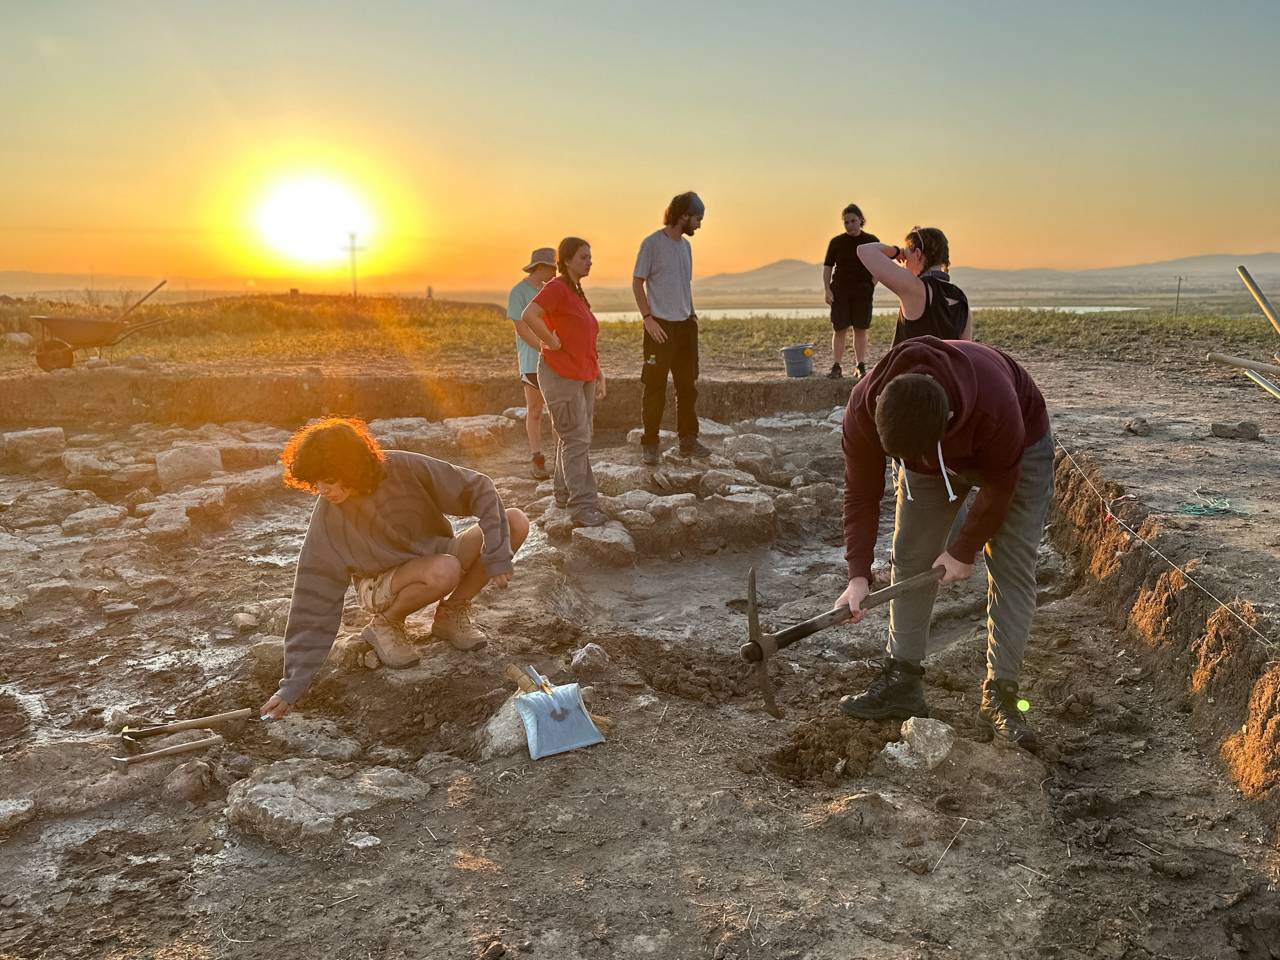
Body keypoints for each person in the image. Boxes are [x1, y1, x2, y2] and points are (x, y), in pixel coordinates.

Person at [835, 336, 1053, 750]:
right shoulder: (866, 404)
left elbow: (1000, 488)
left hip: (1018, 447)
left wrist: (963, 549)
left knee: (1011, 565)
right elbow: (860, 492)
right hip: (931, 455)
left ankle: (1001, 694)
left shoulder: (995, 404)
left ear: (948, 418)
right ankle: (902, 679)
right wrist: (858, 575)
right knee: (911, 555)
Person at [259, 417, 529, 720]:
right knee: (445, 569)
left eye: (329, 478)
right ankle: (385, 623)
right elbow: (312, 600)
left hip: (434, 557)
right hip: (381, 583)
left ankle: (451, 612)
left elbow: (479, 487)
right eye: (315, 482)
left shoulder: (403, 468)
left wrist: (497, 553)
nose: (322, 490)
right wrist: (291, 686)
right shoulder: (329, 516)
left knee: (515, 520)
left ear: (351, 466)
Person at [519, 237, 609, 527]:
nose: (590, 261)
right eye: (584, 257)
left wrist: (599, 373)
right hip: (560, 375)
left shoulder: (577, 293)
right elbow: (529, 315)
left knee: (572, 438)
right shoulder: (556, 288)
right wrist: (549, 340)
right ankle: (582, 506)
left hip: (583, 374)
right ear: (567, 260)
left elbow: (586, 338)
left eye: (590, 256)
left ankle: (562, 493)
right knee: (575, 438)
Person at [632, 191, 709, 465]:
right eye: (697, 218)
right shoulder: (652, 244)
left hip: (685, 326)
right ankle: (650, 443)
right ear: (683, 215)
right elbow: (637, 282)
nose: (699, 225)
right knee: (654, 387)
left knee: (687, 387)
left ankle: (688, 440)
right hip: (659, 328)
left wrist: (692, 315)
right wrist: (648, 318)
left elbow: (682, 285)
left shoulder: (686, 247)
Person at [857, 226, 971, 345]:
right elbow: (966, 349)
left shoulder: (916, 287)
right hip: (947, 364)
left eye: (906, 255)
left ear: (917, 253)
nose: (904, 263)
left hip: (913, 363)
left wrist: (895, 251)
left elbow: (864, 250)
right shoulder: (961, 298)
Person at [508, 247, 557, 481]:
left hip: (557, 358)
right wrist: (545, 349)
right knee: (535, 410)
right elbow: (521, 328)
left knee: (558, 411)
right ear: (541, 267)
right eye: (552, 268)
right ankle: (537, 459)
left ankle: (562, 459)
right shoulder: (518, 292)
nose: (555, 273)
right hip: (532, 361)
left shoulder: (554, 290)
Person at [822, 203, 880, 380]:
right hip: (840, 290)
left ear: (861, 220)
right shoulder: (836, 242)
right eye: (846, 222)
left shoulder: (871, 240)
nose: (849, 225)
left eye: (853, 221)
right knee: (839, 329)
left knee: (860, 329)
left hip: (863, 291)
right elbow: (827, 267)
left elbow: (879, 265)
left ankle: (860, 365)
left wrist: (872, 283)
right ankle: (837, 366)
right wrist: (827, 290)